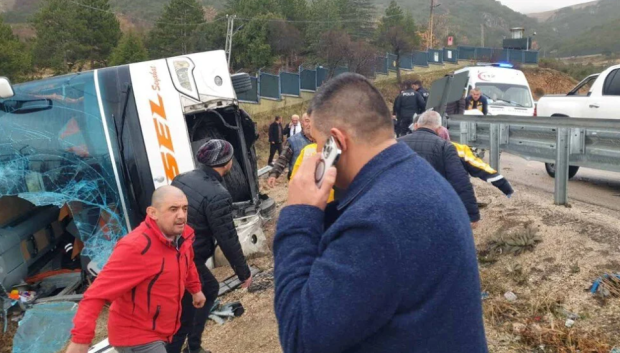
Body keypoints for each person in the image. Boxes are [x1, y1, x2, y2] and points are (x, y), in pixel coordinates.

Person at [274, 73, 488, 352]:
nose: (315, 155)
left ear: (336, 142)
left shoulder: (377, 222)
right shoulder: (411, 177)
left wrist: (299, 213)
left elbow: (301, 337)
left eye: (317, 144)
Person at [66, 186, 206, 353]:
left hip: (161, 331)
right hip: (137, 337)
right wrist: (81, 339)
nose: (182, 215)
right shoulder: (136, 247)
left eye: (185, 208)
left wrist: (195, 289)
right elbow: (96, 294)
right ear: (153, 213)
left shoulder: (182, 237)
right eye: (173, 209)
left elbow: (187, 262)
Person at [169, 139, 252, 353]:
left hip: (173, 251)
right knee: (192, 306)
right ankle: (188, 348)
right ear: (227, 162)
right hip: (188, 256)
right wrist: (243, 273)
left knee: (201, 293)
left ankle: (193, 346)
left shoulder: (182, 178)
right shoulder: (218, 194)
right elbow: (227, 238)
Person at [399, 111, 481, 227]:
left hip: (401, 204)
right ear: (439, 129)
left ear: (416, 125)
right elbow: (459, 180)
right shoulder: (445, 147)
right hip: (434, 205)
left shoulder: (397, 144)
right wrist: (472, 214)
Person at [267, 113, 314, 186]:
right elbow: (283, 159)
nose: (310, 124)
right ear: (302, 123)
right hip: (297, 184)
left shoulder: (322, 140)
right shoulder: (292, 141)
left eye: (313, 121)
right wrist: (274, 174)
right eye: (307, 121)